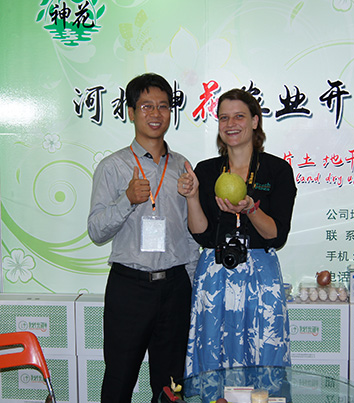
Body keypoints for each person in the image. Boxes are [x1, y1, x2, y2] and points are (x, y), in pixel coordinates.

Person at [87, 73, 199, 403]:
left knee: (172, 384)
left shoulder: (182, 167)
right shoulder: (113, 167)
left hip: (175, 286)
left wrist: (192, 285)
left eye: (163, 106)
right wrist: (126, 200)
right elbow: (96, 231)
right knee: (119, 378)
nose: (155, 113)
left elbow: (190, 233)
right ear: (131, 112)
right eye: (146, 106)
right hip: (130, 288)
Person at [178, 89, 296, 388]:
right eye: (224, 118)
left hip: (261, 275)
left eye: (239, 116)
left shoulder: (277, 170)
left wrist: (251, 208)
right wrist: (192, 197)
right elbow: (201, 233)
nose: (231, 124)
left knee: (264, 351)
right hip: (215, 272)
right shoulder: (206, 170)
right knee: (213, 354)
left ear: (255, 121)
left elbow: (276, 235)